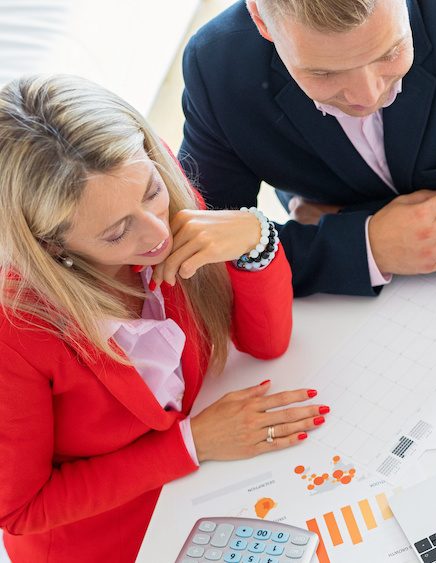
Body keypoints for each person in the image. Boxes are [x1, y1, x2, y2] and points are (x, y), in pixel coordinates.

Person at [0, 75, 327, 561]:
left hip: (213, 487)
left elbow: (266, 344)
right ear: (51, 245)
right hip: (106, 539)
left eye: (152, 191)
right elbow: (20, 509)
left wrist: (256, 241)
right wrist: (193, 443)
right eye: (115, 234)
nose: (158, 233)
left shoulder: (138, 191)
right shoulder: (16, 331)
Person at [177, 0, 436, 297]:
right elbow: (203, 258)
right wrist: (369, 245)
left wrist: (336, 230)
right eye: (323, 73)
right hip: (345, 297)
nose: (366, 96)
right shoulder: (216, 67)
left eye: (390, 52)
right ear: (262, 22)